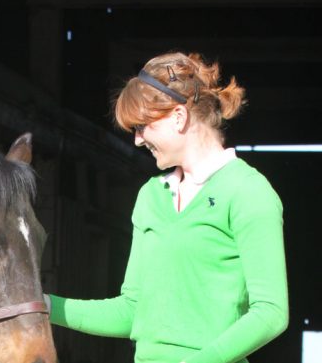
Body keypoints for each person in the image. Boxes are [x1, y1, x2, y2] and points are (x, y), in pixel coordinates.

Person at [45, 52, 288, 363]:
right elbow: (132, 310)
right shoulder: (151, 196)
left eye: (142, 126)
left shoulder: (248, 191)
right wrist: (45, 306)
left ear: (178, 116)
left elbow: (271, 313)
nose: (136, 140)